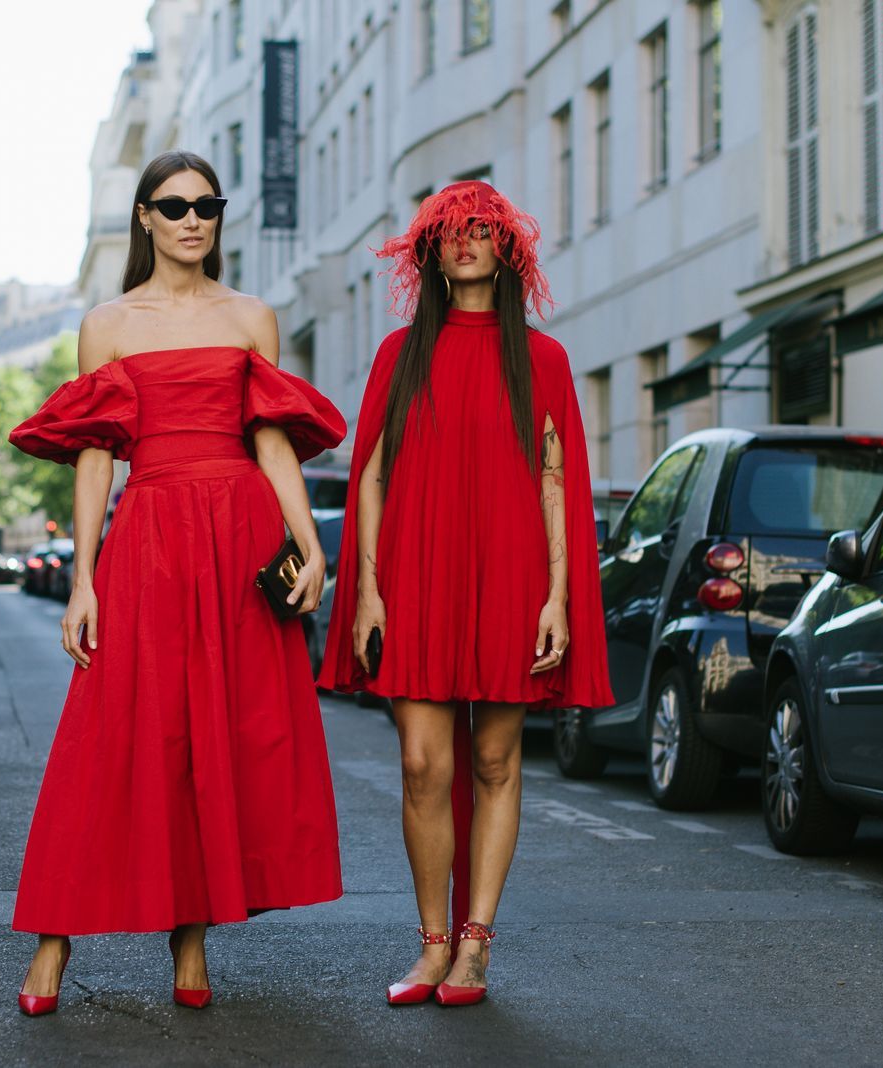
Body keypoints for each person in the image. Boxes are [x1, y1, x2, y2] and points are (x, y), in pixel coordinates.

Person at [5, 150, 346, 1016]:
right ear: (146, 219)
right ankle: (52, 941)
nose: (194, 218)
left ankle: (191, 941)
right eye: (174, 205)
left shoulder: (251, 317)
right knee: (110, 734)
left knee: (219, 737)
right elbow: (91, 460)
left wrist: (309, 545)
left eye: (207, 205)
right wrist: (82, 579)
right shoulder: (109, 324)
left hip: (238, 538)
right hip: (150, 536)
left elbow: (272, 441)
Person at [319, 181, 613, 1007]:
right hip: (414, 575)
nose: (467, 241)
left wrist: (557, 596)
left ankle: (476, 945)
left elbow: (555, 483)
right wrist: (368, 589)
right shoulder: (396, 356)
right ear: (431, 251)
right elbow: (371, 476)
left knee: (493, 759)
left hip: (511, 577)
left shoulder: (544, 360)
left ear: (507, 247)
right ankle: (430, 944)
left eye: (483, 229)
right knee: (420, 764)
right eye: (450, 231)